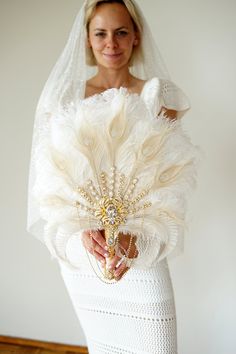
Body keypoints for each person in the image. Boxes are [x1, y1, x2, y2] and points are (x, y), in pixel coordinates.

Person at [27, 0, 193, 353]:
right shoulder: (63, 97)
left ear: (136, 36)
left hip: (141, 244)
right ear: (86, 38)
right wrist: (82, 226)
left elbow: (168, 180)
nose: (111, 44)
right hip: (84, 247)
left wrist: (136, 238)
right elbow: (47, 180)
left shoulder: (158, 96)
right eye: (100, 33)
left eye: (121, 32)